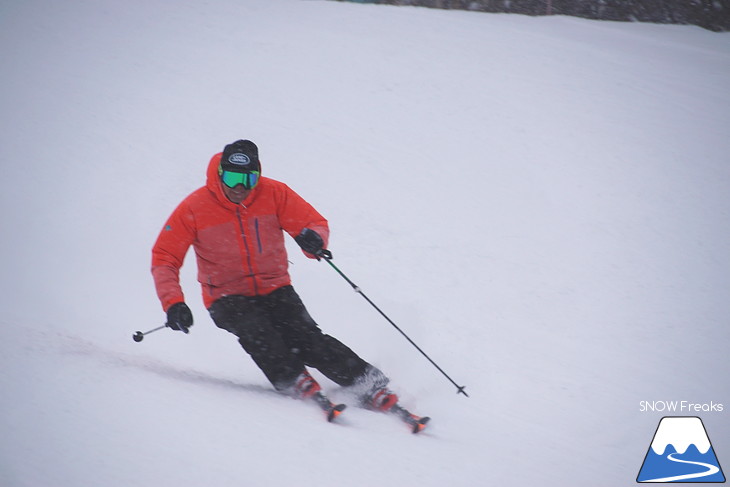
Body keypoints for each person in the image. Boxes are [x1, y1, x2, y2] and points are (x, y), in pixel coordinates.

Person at [151, 139, 400, 412]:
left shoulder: (274, 193)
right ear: (220, 174)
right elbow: (165, 257)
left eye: (248, 179)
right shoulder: (194, 208)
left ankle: (368, 383)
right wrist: (173, 303)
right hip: (225, 295)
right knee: (258, 331)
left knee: (308, 339)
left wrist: (313, 239)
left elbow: (313, 223)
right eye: (233, 177)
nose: (239, 188)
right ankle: (292, 378)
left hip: (275, 287)